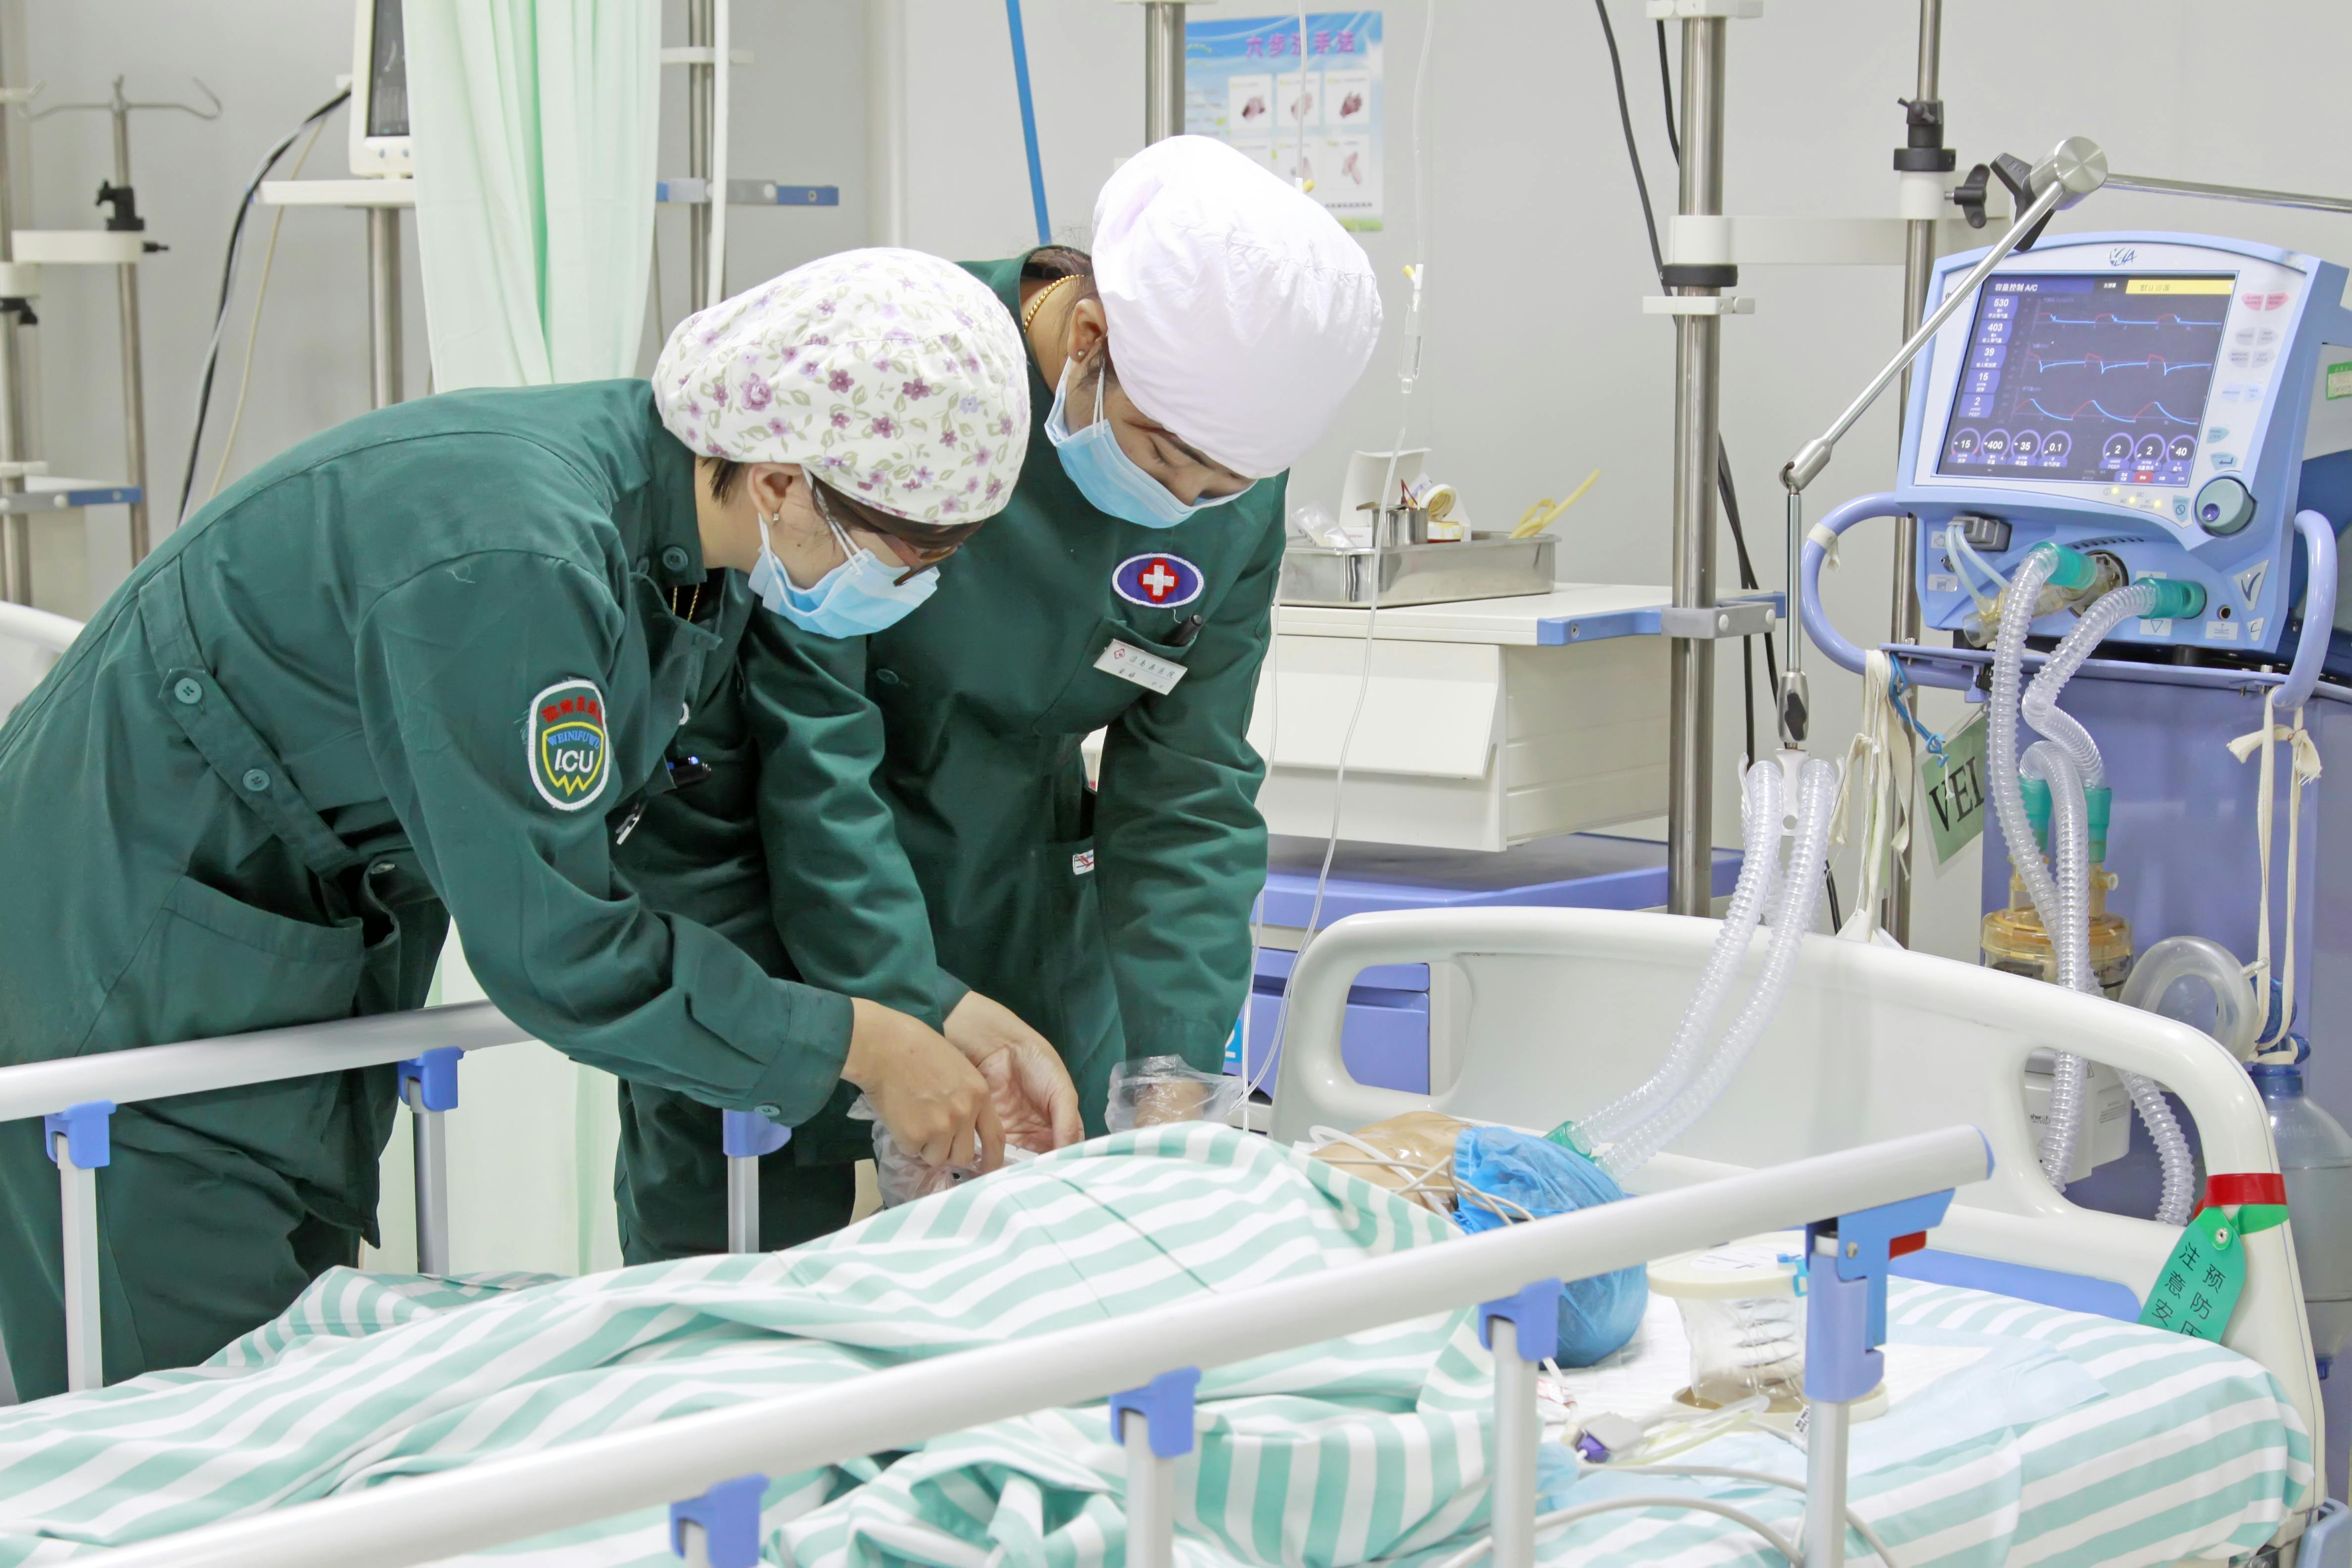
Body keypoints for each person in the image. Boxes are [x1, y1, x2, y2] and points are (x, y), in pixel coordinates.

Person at [0, 248, 1033, 1398]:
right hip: (128, 926)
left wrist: (923, 1006)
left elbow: (678, 832)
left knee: (289, 1358)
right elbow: (559, 949)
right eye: (906, 557)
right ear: (784, 480)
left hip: (293, 931)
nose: (914, 590)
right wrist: (857, 1046)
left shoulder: (695, 547)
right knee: (182, 1406)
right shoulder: (518, 560)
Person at [614, 135, 1384, 1257]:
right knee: (737, 1313)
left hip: (1026, 909)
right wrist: (902, 1000)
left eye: (1223, 489)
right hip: (781, 894)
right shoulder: (907, 374)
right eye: (1165, 462)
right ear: (1088, 339)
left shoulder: (1227, 489)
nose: (1182, 506)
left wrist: (1176, 1073)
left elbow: (1188, 786)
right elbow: (811, 738)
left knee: (1040, 1303)